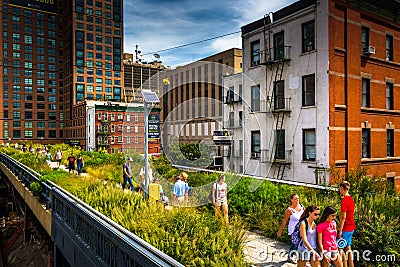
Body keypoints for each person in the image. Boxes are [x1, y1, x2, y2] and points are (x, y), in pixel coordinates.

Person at [277, 194, 305, 263]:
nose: (297, 200)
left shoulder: (302, 207)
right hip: (293, 229)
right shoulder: (289, 210)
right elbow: (285, 220)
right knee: (295, 243)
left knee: (300, 243)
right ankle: (291, 256)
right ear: (291, 200)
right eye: (295, 199)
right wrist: (280, 231)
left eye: (298, 198)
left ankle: (294, 257)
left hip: (301, 228)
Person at [338, 181, 355, 267]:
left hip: (346, 227)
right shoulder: (351, 199)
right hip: (352, 226)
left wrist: (340, 231)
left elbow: (343, 217)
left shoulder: (344, 200)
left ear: (341, 188)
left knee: (339, 248)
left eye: (339, 189)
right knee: (348, 248)